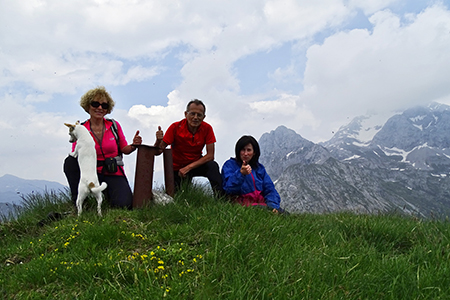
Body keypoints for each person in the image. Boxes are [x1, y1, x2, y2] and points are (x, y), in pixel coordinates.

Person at [63, 86, 142, 209]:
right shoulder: (81, 129)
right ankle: (78, 203)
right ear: (87, 106)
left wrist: (134, 145)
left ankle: (105, 196)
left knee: (124, 205)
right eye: (95, 104)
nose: (100, 108)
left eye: (104, 106)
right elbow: (76, 153)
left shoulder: (114, 125)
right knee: (70, 162)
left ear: (107, 109)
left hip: (113, 171)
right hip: (91, 172)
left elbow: (124, 149)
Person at [154, 99, 223, 195]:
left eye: (199, 115)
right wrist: (158, 141)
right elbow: (158, 151)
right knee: (177, 196)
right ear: (185, 114)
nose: (195, 117)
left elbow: (210, 156)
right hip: (177, 167)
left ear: (204, 117)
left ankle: (221, 199)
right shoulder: (175, 127)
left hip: (195, 164)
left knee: (212, 166)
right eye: (192, 114)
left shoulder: (207, 128)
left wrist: (188, 167)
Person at [221, 135, 284, 213]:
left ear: (254, 153)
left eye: (249, 150)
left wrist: (272, 206)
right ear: (238, 151)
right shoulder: (230, 165)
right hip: (243, 206)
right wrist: (241, 174)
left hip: (263, 205)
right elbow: (228, 189)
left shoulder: (259, 168)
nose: (246, 153)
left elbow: (270, 189)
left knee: (287, 216)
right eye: (243, 150)